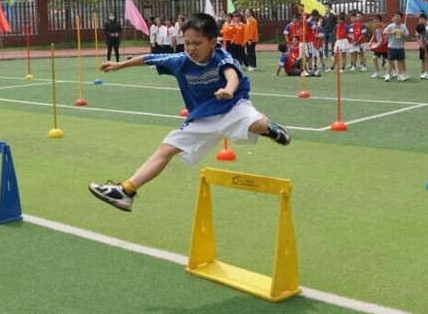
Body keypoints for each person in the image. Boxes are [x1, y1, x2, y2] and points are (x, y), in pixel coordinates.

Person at [87, 13, 291, 212]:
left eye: (197, 43)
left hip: (233, 106)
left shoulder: (221, 56)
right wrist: (120, 65)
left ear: (212, 42)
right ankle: (126, 191)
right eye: (187, 43)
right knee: (166, 149)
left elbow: (232, 75)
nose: (191, 48)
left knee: (256, 125)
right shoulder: (180, 61)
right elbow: (149, 58)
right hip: (202, 116)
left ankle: (272, 128)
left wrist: (228, 90)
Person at [382, 12, 409, 81]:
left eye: (398, 16)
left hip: (400, 47)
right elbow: (384, 33)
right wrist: (391, 32)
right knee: (390, 61)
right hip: (391, 47)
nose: (397, 18)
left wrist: (402, 34)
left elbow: (407, 36)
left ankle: (400, 75)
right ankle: (388, 75)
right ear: (393, 18)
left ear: (401, 18)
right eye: (395, 16)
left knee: (400, 61)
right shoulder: (390, 26)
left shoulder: (403, 26)